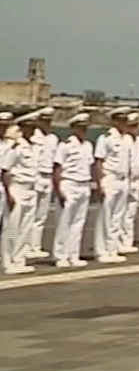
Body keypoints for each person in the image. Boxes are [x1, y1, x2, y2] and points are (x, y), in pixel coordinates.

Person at [88, 109, 132, 264]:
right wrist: (100, 183)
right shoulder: (106, 138)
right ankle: (101, 251)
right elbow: (99, 161)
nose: (125, 124)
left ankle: (112, 249)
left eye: (126, 120)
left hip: (123, 179)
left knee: (117, 217)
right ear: (115, 121)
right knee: (105, 216)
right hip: (110, 178)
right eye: (122, 120)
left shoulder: (127, 139)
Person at [50, 114, 94, 268]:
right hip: (69, 183)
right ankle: (60, 255)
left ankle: (73, 254)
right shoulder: (65, 145)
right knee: (64, 221)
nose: (83, 130)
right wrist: (58, 189)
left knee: (78, 222)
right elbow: (57, 168)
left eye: (85, 127)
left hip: (84, 184)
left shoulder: (88, 145)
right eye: (80, 127)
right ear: (73, 128)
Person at [0, 119, 38, 274]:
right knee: (11, 227)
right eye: (29, 128)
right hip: (17, 188)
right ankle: (8, 261)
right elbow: (5, 171)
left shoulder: (31, 146)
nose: (32, 131)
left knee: (25, 228)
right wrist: (9, 193)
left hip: (30, 188)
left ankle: (19, 260)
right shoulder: (15, 146)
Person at [22, 110, 55, 261]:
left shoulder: (53, 138)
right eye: (44, 121)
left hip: (48, 176)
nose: (47, 124)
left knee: (41, 216)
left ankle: (35, 245)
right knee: (29, 215)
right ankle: (25, 246)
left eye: (49, 121)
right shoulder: (34, 138)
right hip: (36, 177)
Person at [117, 111, 139, 255]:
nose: (135, 129)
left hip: (136, 180)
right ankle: (117, 241)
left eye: (136, 126)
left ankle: (127, 241)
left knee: (131, 213)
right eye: (132, 126)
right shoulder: (123, 140)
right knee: (120, 212)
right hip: (125, 179)